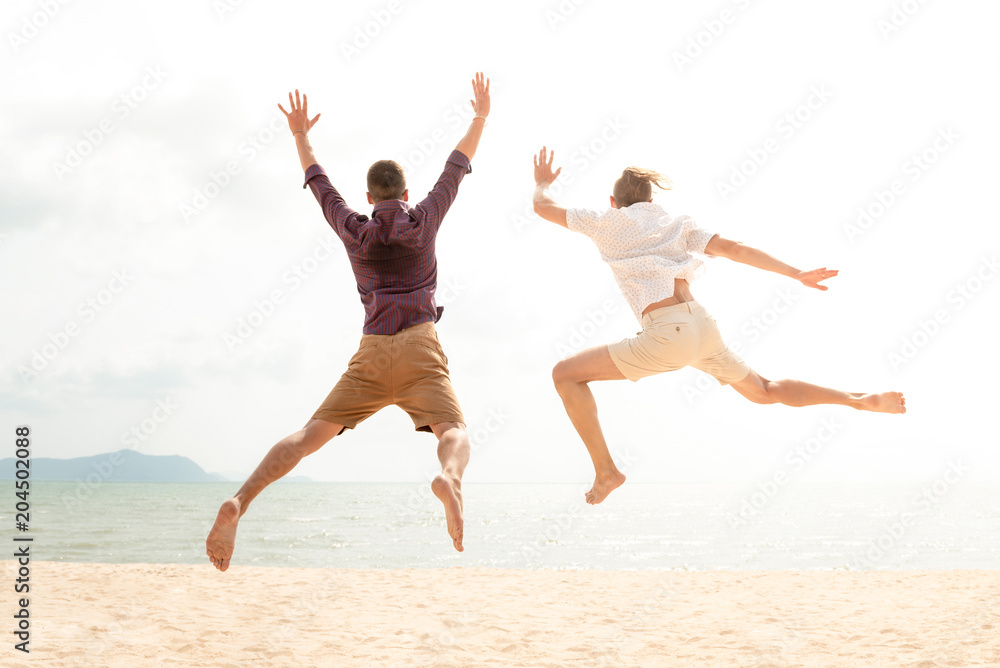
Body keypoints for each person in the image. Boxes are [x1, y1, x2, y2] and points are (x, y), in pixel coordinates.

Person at [206, 73, 491, 571]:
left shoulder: (353, 228)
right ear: (407, 191)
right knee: (454, 431)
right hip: (421, 348)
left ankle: (240, 501)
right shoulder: (424, 219)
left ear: (368, 198)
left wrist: (299, 134)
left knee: (308, 437)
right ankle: (450, 478)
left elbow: (319, 184)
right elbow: (455, 167)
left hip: (372, 352)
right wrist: (480, 116)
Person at [529, 147, 906, 505]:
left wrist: (543, 182)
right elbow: (736, 250)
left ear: (614, 203)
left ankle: (606, 471)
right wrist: (796, 273)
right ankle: (856, 400)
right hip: (701, 324)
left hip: (665, 333)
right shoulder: (675, 223)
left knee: (565, 374)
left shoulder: (606, 222)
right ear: (652, 202)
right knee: (764, 389)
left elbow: (541, 207)